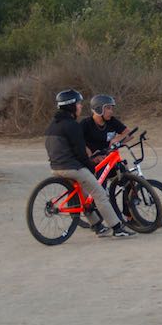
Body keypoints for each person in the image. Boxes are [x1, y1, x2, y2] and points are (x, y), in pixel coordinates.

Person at [44, 88, 132, 238]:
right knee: (100, 194)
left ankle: (98, 226)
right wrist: (91, 166)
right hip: (72, 167)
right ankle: (117, 228)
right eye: (78, 104)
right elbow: (81, 153)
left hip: (55, 167)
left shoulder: (53, 124)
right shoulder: (73, 125)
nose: (80, 107)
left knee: (84, 197)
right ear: (71, 106)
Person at [80, 94, 133, 164]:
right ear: (98, 109)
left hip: (108, 157)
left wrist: (117, 139)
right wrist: (89, 154)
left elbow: (129, 134)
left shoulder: (112, 121)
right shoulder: (85, 123)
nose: (111, 111)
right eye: (108, 108)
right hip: (92, 160)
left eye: (111, 109)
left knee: (123, 170)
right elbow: (76, 141)